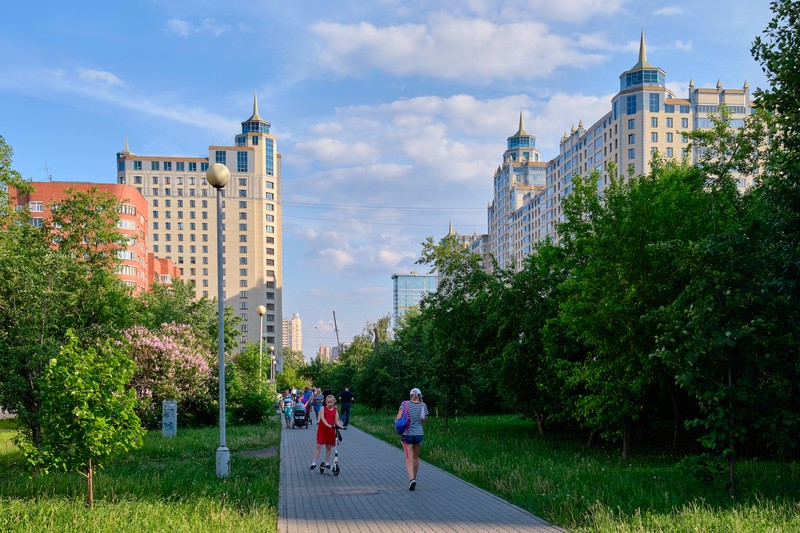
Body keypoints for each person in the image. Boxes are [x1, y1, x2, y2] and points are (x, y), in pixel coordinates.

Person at [396, 387, 429, 491]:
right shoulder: (423, 405)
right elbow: (425, 420)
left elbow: (398, 417)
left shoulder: (404, 403)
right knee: (415, 458)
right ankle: (414, 478)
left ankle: (411, 480)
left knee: (408, 458)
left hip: (407, 434)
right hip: (419, 434)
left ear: (410, 395)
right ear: (420, 396)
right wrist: (422, 406)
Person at [309, 395, 342, 472]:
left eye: (331, 402)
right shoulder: (322, 408)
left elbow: (336, 420)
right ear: (325, 402)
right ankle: (314, 462)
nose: (330, 404)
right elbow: (322, 418)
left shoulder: (335, 410)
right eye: (328, 402)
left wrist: (340, 426)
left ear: (334, 402)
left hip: (330, 430)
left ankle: (327, 463)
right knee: (318, 445)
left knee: (329, 447)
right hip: (322, 429)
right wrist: (327, 424)